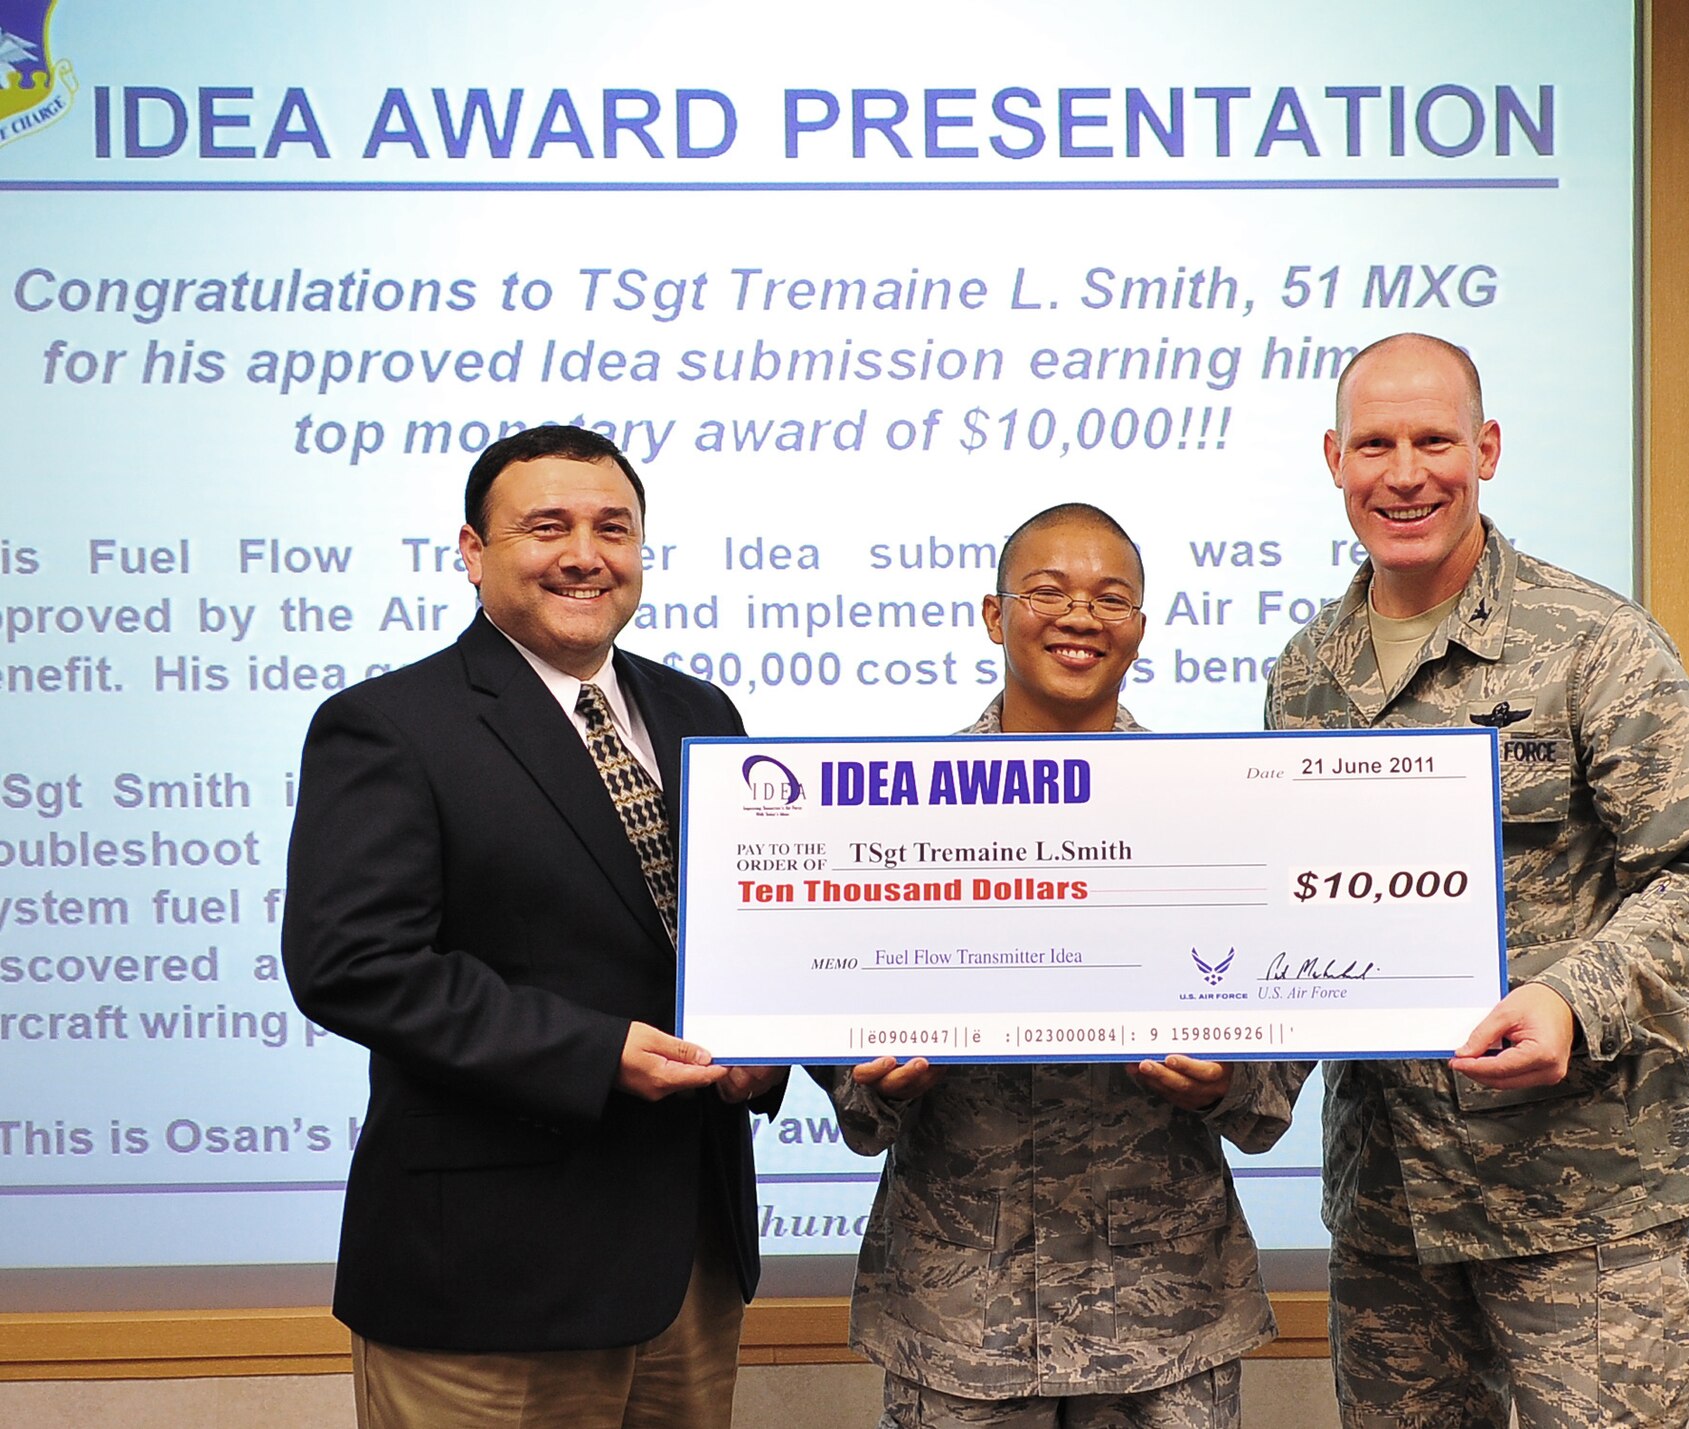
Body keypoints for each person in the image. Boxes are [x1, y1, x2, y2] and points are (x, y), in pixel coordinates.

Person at [1264, 334, 1689, 1429]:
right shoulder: (1305, 674)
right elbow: (1290, 911)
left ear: (1484, 448)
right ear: (1333, 459)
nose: (1404, 473)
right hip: (1389, 1214)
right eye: (1374, 444)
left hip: (1580, 1205)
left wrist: (1568, 998)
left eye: (1434, 440)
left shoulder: (1591, 642)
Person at [283, 425, 784, 1429]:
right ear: (472, 552)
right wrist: (598, 1052)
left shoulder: (701, 712)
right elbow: (352, 962)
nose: (583, 553)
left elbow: (755, 929)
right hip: (487, 1278)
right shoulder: (390, 723)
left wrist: (789, 1049)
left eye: (613, 527)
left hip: (688, 1264)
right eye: (545, 526)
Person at [819, 503, 1309, 1429]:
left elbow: (1285, 1012)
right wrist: (867, 1078)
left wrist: (1229, 1082)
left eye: (1109, 597)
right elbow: (835, 1025)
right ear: (994, 616)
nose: (1079, 616)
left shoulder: (1217, 814)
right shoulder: (896, 816)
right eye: (1047, 592)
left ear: (1141, 629)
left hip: (1166, 1313)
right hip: (960, 1316)